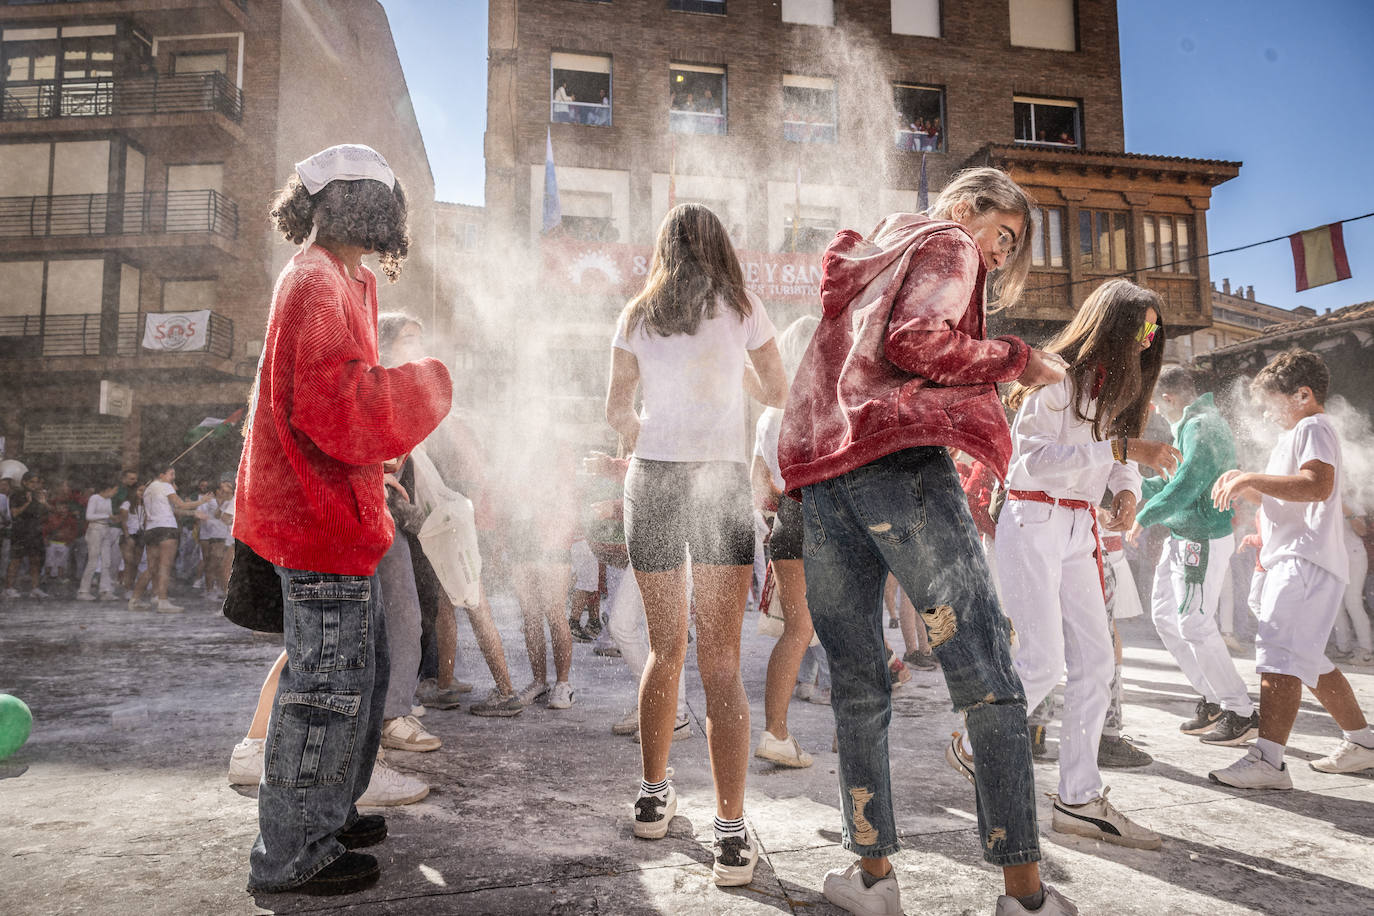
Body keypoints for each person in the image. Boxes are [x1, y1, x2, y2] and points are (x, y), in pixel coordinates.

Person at [777, 167, 1076, 916]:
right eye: (1003, 233)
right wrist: (1020, 360)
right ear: (966, 207)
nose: (1001, 253)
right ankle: (1025, 899)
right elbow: (918, 342)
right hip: (900, 466)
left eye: (1011, 245)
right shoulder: (949, 242)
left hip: (828, 480)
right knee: (986, 672)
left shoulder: (876, 257)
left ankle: (872, 880)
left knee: (858, 685)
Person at [239, 144, 452, 897]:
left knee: (359, 680)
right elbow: (335, 403)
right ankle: (293, 852)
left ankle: (326, 814)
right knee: (324, 690)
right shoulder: (314, 283)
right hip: (316, 520)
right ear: (371, 206)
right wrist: (427, 385)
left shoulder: (344, 279)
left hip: (339, 515)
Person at [606, 202, 787, 888]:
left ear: (665, 248)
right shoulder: (742, 309)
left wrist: (652, 432)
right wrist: (732, 373)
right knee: (721, 661)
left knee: (665, 649)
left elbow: (616, 412)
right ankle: (732, 838)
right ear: (720, 248)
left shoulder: (636, 315)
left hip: (652, 479)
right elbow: (778, 390)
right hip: (717, 480)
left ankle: (653, 800)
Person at [988, 278, 1176, 855]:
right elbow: (1034, 461)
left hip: (1079, 527)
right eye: (1141, 328)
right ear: (1112, 324)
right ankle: (976, 745)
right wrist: (1121, 453)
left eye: (1154, 333)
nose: (1147, 341)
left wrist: (1127, 489)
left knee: (1097, 663)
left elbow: (1118, 457)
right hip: (1033, 517)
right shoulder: (1056, 378)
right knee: (1043, 662)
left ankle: (1078, 798)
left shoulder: (1115, 389)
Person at [1209, 349, 1374, 786]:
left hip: (1304, 559)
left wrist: (1250, 479)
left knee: (1278, 655)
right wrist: (1246, 485)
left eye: (1270, 403)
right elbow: (1290, 497)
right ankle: (1363, 743)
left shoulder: (1314, 426)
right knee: (1306, 658)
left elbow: (1317, 486)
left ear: (1302, 395)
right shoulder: (1298, 432)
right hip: (1295, 557)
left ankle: (1268, 761)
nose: (1264, 414)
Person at [1128, 367, 1257, 745]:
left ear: (1168, 398)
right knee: (1166, 618)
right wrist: (1128, 485)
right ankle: (1214, 699)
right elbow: (1171, 480)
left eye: (1155, 403)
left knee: (1195, 625)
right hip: (1183, 535)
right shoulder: (1190, 425)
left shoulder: (1203, 426)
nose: (1154, 410)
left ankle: (1242, 712)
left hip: (1201, 539)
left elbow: (1187, 484)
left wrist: (1144, 516)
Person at [751, 315, 821, 769]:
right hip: (825, 517)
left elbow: (759, 483)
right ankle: (853, 737)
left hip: (788, 520)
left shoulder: (770, 413)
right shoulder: (824, 403)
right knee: (850, 630)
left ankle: (775, 732)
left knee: (798, 631)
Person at [128, 465, 210, 614]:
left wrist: (193, 513)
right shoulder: (165, 486)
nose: (173, 477)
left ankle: (134, 599)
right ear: (161, 475)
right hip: (167, 528)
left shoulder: (148, 489)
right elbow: (181, 504)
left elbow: (171, 510)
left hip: (151, 529)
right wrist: (202, 501)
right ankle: (163, 601)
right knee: (165, 567)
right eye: (171, 474)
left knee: (151, 568)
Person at [4, 472, 48, 599]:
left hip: (35, 532)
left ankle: (35, 588)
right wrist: (27, 502)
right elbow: (14, 513)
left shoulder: (38, 495)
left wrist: (44, 502)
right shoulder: (16, 495)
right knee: (16, 560)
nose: (34, 485)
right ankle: (9, 588)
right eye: (32, 482)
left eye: (36, 482)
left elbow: (47, 512)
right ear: (24, 482)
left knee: (35, 560)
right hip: (20, 532)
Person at [77, 481, 122, 601]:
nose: (115, 493)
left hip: (105, 529)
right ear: (107, 489)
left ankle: (105, 590)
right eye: (114, 490)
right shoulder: (94, 498)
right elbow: (89, 516)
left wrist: (114, 519)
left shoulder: (108, 500)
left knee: (107, 561)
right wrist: (107, 516)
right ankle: (83, 590)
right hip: (95, 529)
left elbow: (109, 516)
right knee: (93, 560)